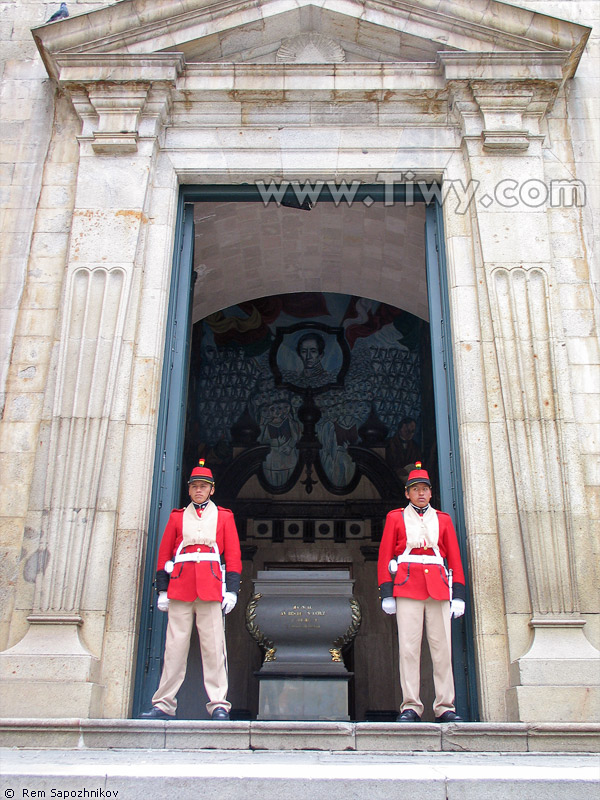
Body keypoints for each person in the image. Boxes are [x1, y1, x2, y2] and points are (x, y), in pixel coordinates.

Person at [141, 460, 242, 720]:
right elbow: (165, 553)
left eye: (204, 487)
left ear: (212, 490)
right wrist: (162, 589)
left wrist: (231, 590)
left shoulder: (224, 516)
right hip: (180, 586)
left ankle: (219, 702)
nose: (199, 490)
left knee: (214, 648)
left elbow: (232, 555)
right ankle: (163, 703)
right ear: (189, 490)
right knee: (174, 647)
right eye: (195, 486)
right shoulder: (176, 517)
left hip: (210, 586)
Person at [377, 462, 466, 722]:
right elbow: (385, 555)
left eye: (425, 489)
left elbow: (455, 559)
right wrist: (387, 591)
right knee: (409, 649)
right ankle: (411, 705)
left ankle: (445, 706)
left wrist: (458, 594)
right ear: (407, 493)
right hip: (407, 586)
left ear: (431, 492)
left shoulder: (443, 520)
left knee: (442, 649)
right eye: (416, 489)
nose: (421, 494)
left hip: (438, 587)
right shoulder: (395, 517)